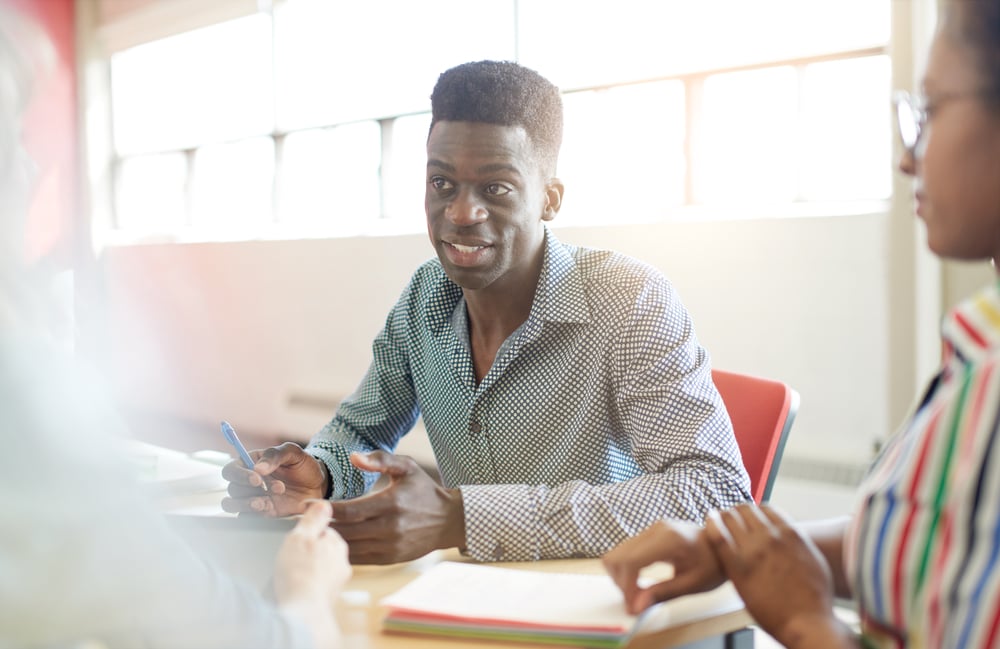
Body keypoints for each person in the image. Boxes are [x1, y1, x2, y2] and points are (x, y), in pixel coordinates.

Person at [222, 60, 752, 565]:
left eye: (496, 188)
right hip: (470, 596)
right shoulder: (426, 295)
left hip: (609, 601)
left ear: (550, 198)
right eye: (442, 184)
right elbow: (361, 432)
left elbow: (716, 492)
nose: (460, 213)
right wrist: (322, 472)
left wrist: (466, 519)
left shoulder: (628, 299)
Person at [602, 1, 1000, 646]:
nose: (908, 156)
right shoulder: (978, 348)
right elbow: (943, 548)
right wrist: (737, 548)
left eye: (929, 110)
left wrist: (803, 621)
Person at [0, 6, 350, 648]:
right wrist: (318, 510)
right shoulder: (21, 396)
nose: (34, 166)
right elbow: (360, 431)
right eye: (16, 135)